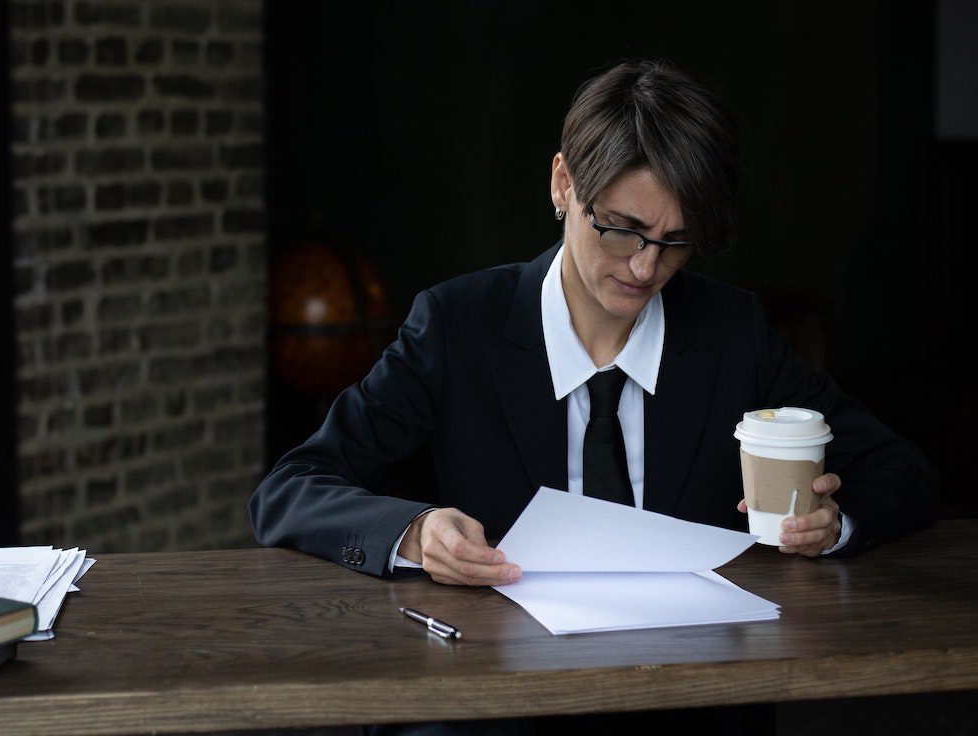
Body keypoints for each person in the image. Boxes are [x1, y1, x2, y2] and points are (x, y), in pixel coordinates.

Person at [248, 60, 940, 735]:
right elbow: (291, 487)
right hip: (496, 703)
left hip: (692, 700)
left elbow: (902, 471)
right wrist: (416, 533)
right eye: (621, 229)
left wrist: (834, 522)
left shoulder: (732, 334)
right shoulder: (456, 327)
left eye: (676, 242)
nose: (645, 268)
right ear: (562, 184)